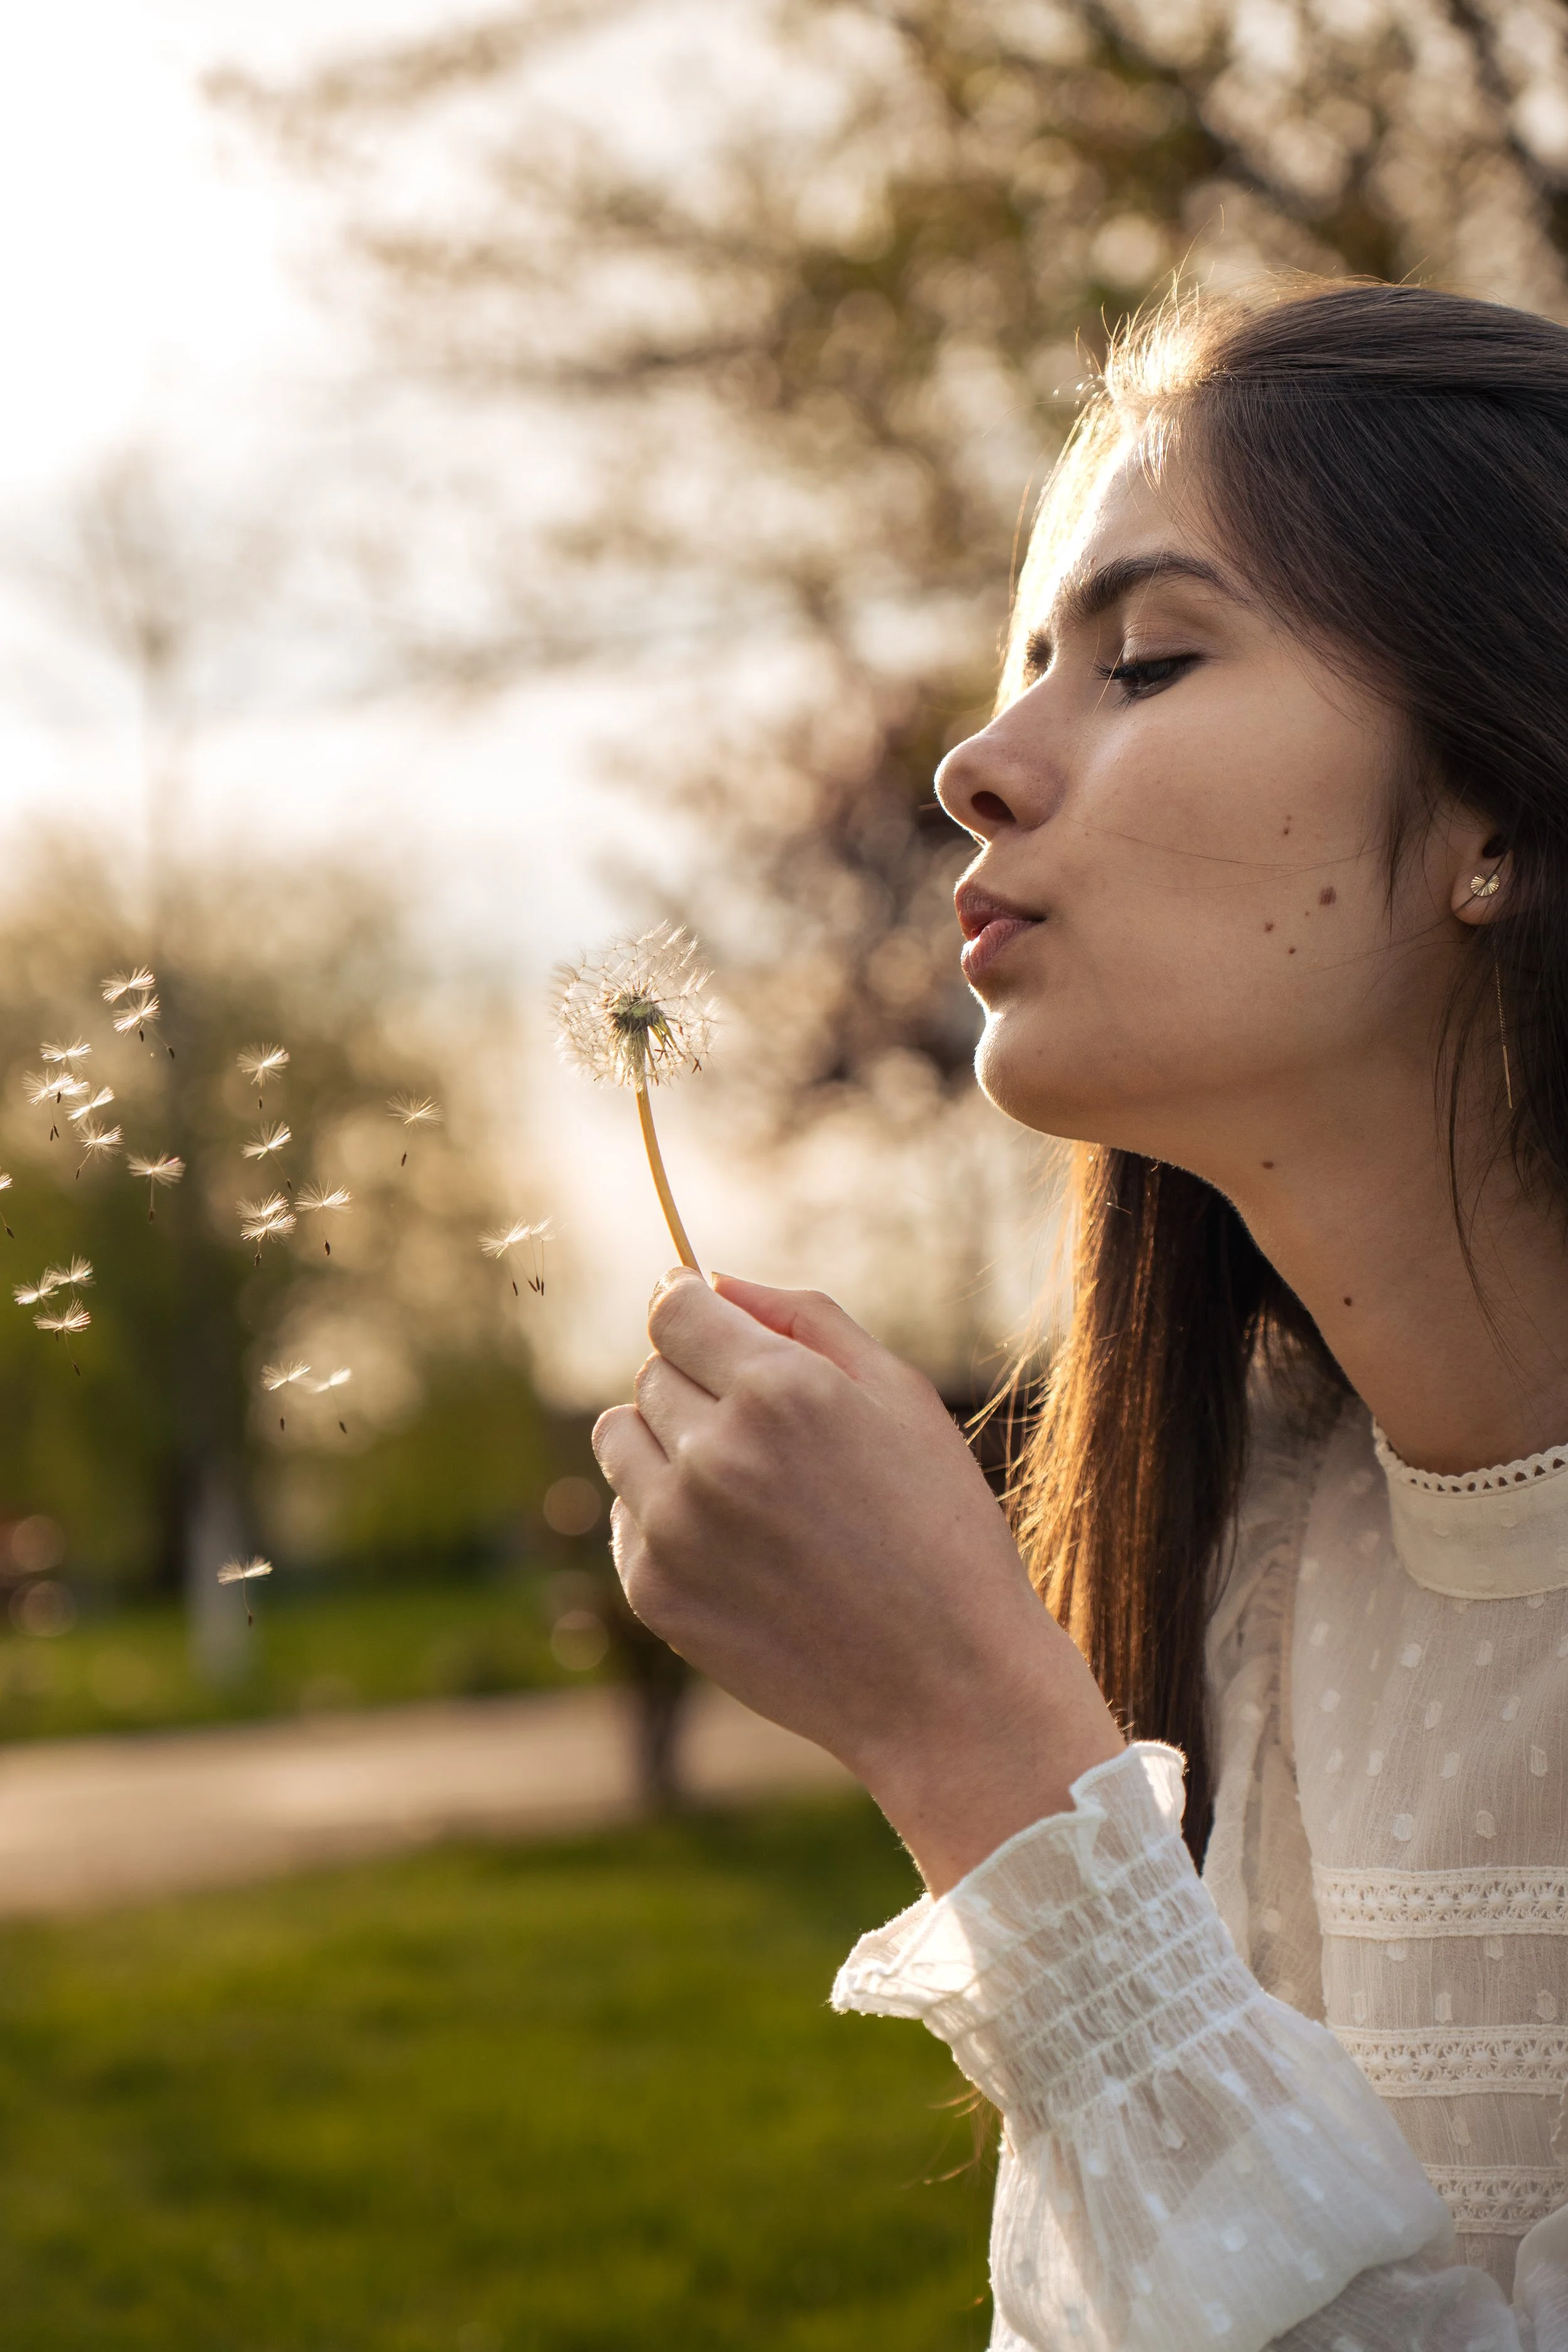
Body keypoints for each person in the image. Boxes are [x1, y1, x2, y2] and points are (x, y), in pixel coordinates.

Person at [590, 278, 1568, 2349]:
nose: (972, 765)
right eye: (1027, 663)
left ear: (1499, 806)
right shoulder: (1252, 1552)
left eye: (1145, 658)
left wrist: (980, 1743)